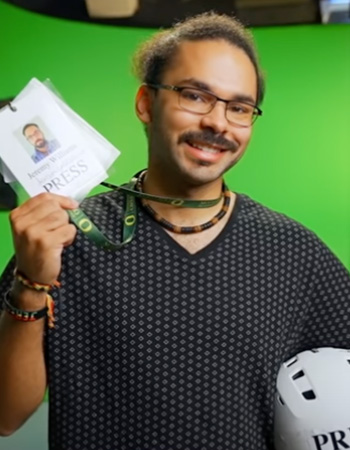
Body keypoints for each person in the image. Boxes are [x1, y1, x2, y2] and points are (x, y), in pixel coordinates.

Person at [0, 12, 349, 450]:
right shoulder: (64, 239)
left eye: (239, 108)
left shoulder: (293, 251)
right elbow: (6, 417)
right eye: (195, 96)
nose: (218, 122)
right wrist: (31, 284)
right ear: (146, 103)